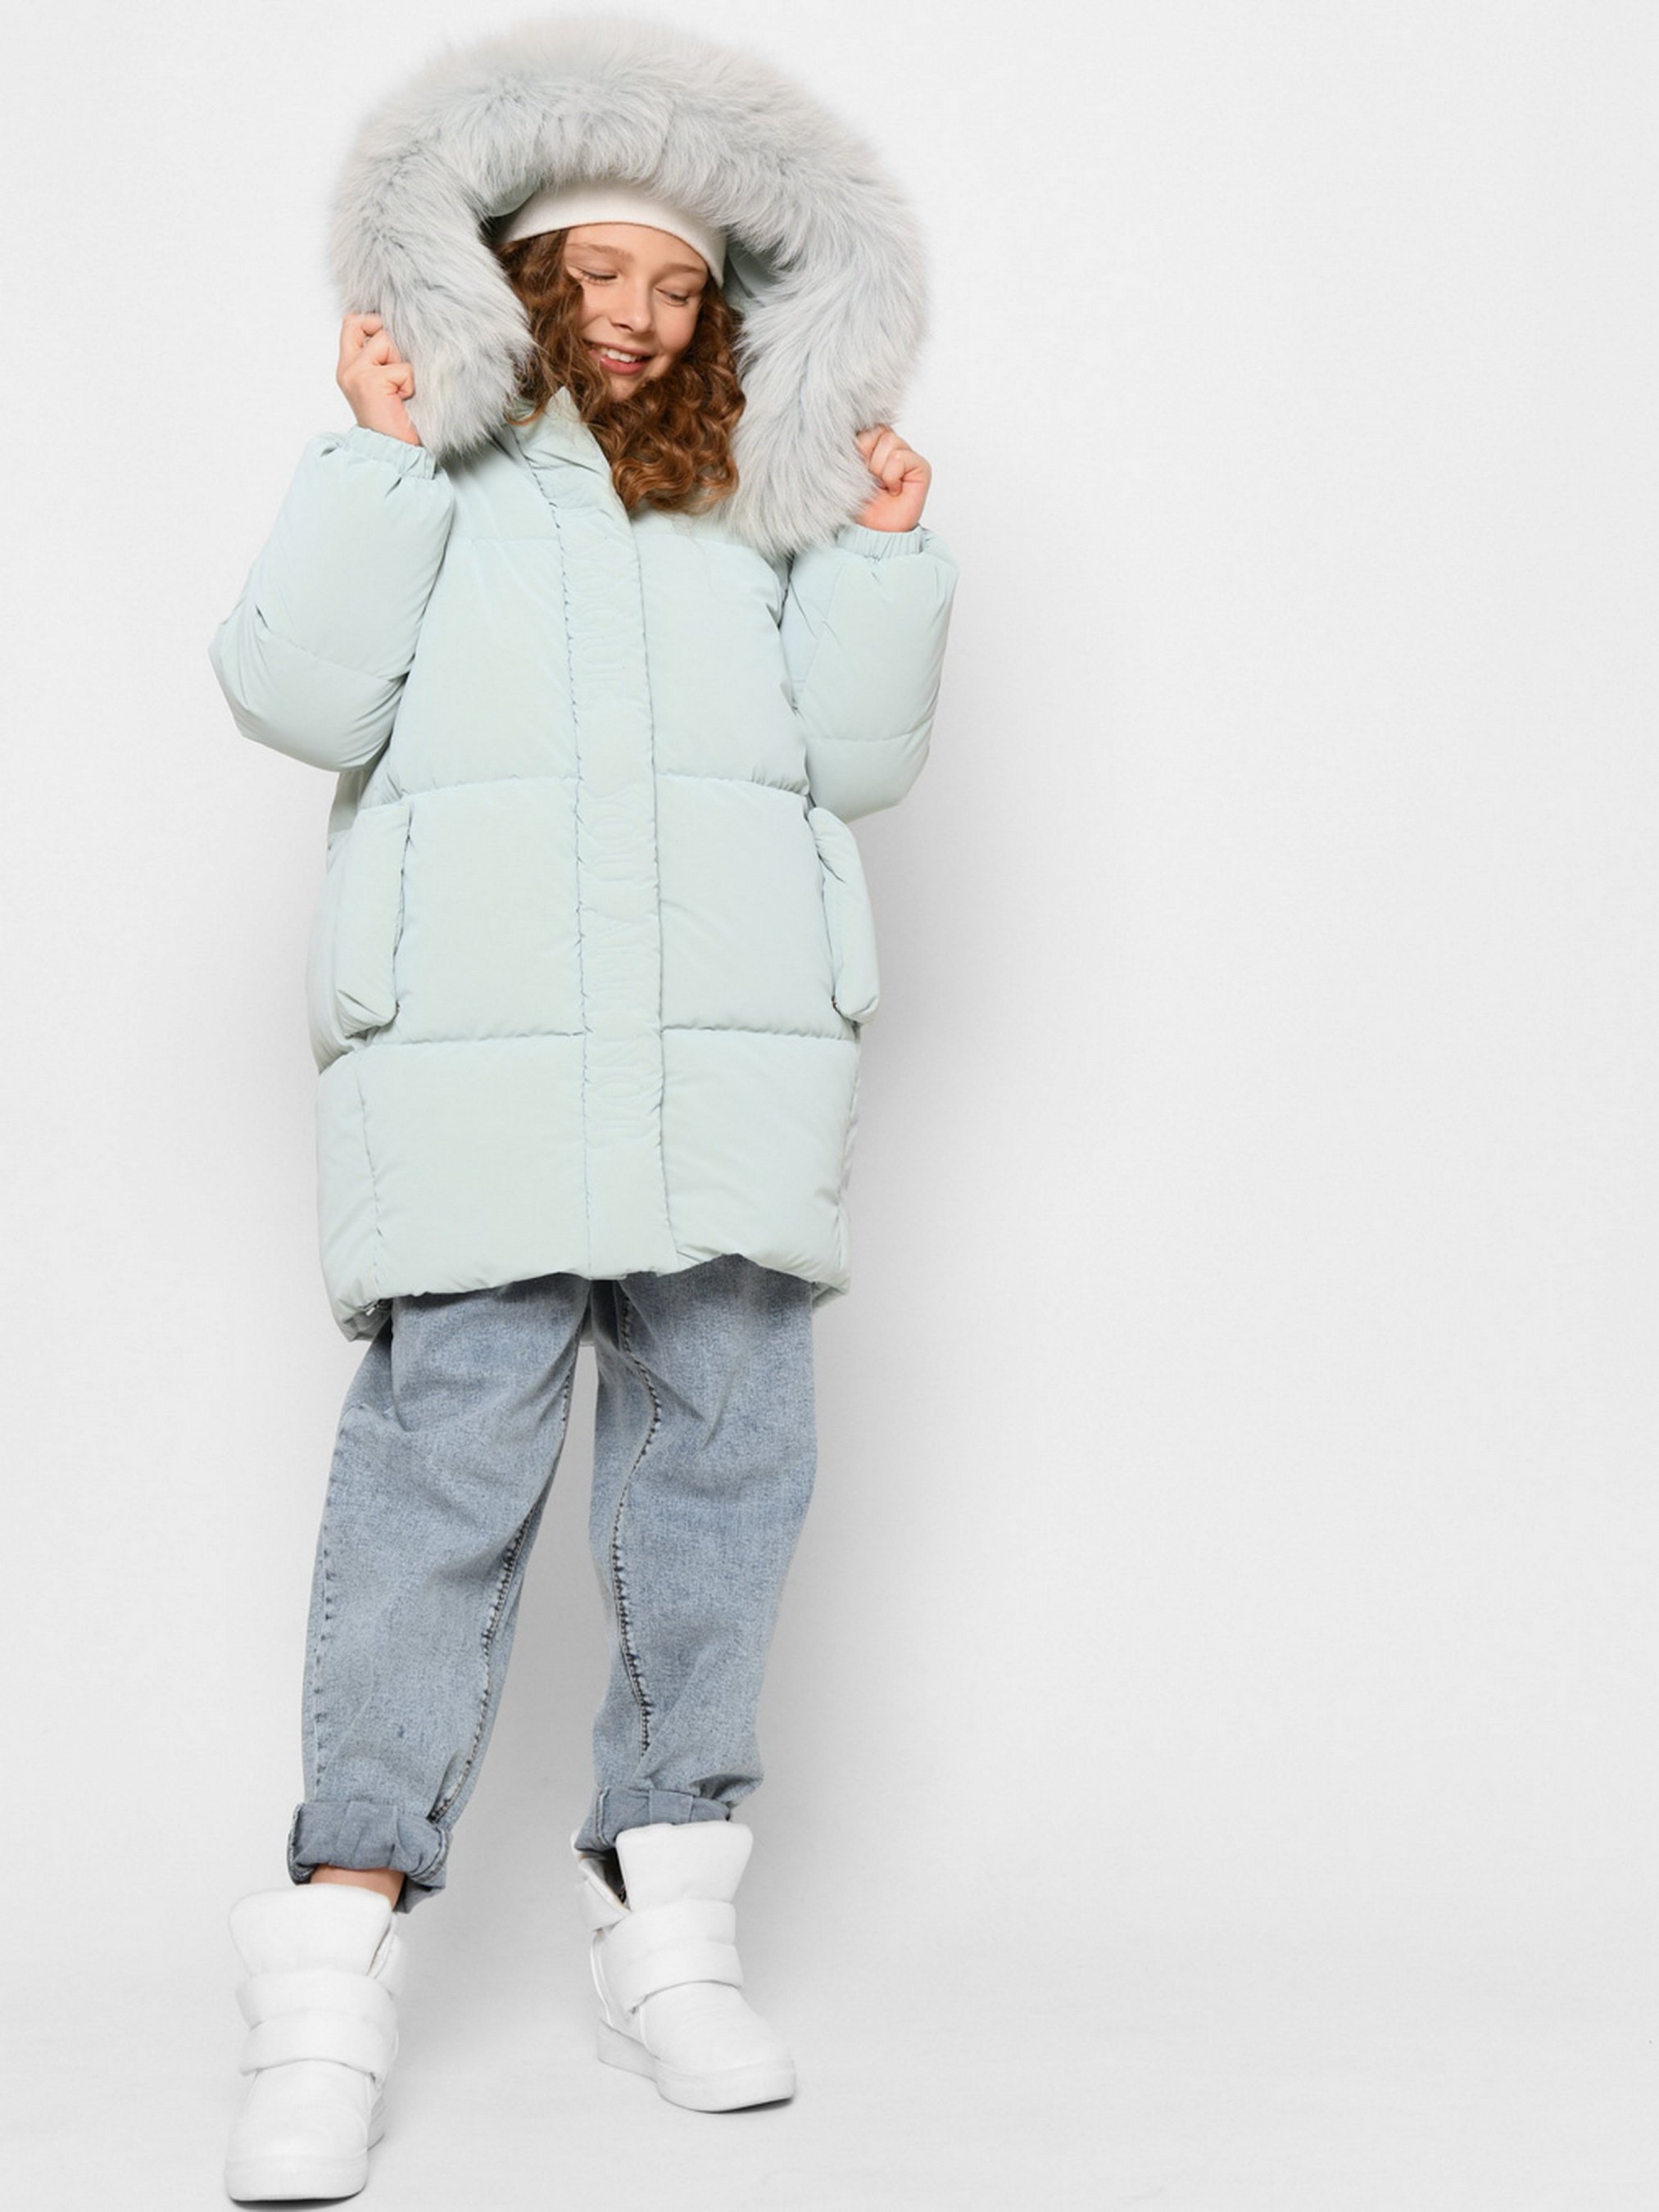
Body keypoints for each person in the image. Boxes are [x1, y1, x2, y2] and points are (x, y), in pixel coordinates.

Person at [209, 16, 957, 2201]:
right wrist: (366, 460)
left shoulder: (758, 504)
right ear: (512, 277)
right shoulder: (421, 477)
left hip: (728, 1072)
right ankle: (332, 1963)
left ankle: (669, 1914)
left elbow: (855, 762)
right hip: (481, 1065)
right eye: (596, 271)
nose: (636, 313)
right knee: (439, 1486)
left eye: (679, 287)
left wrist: (883, 557)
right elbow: (292, 694)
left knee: (724, 1478)